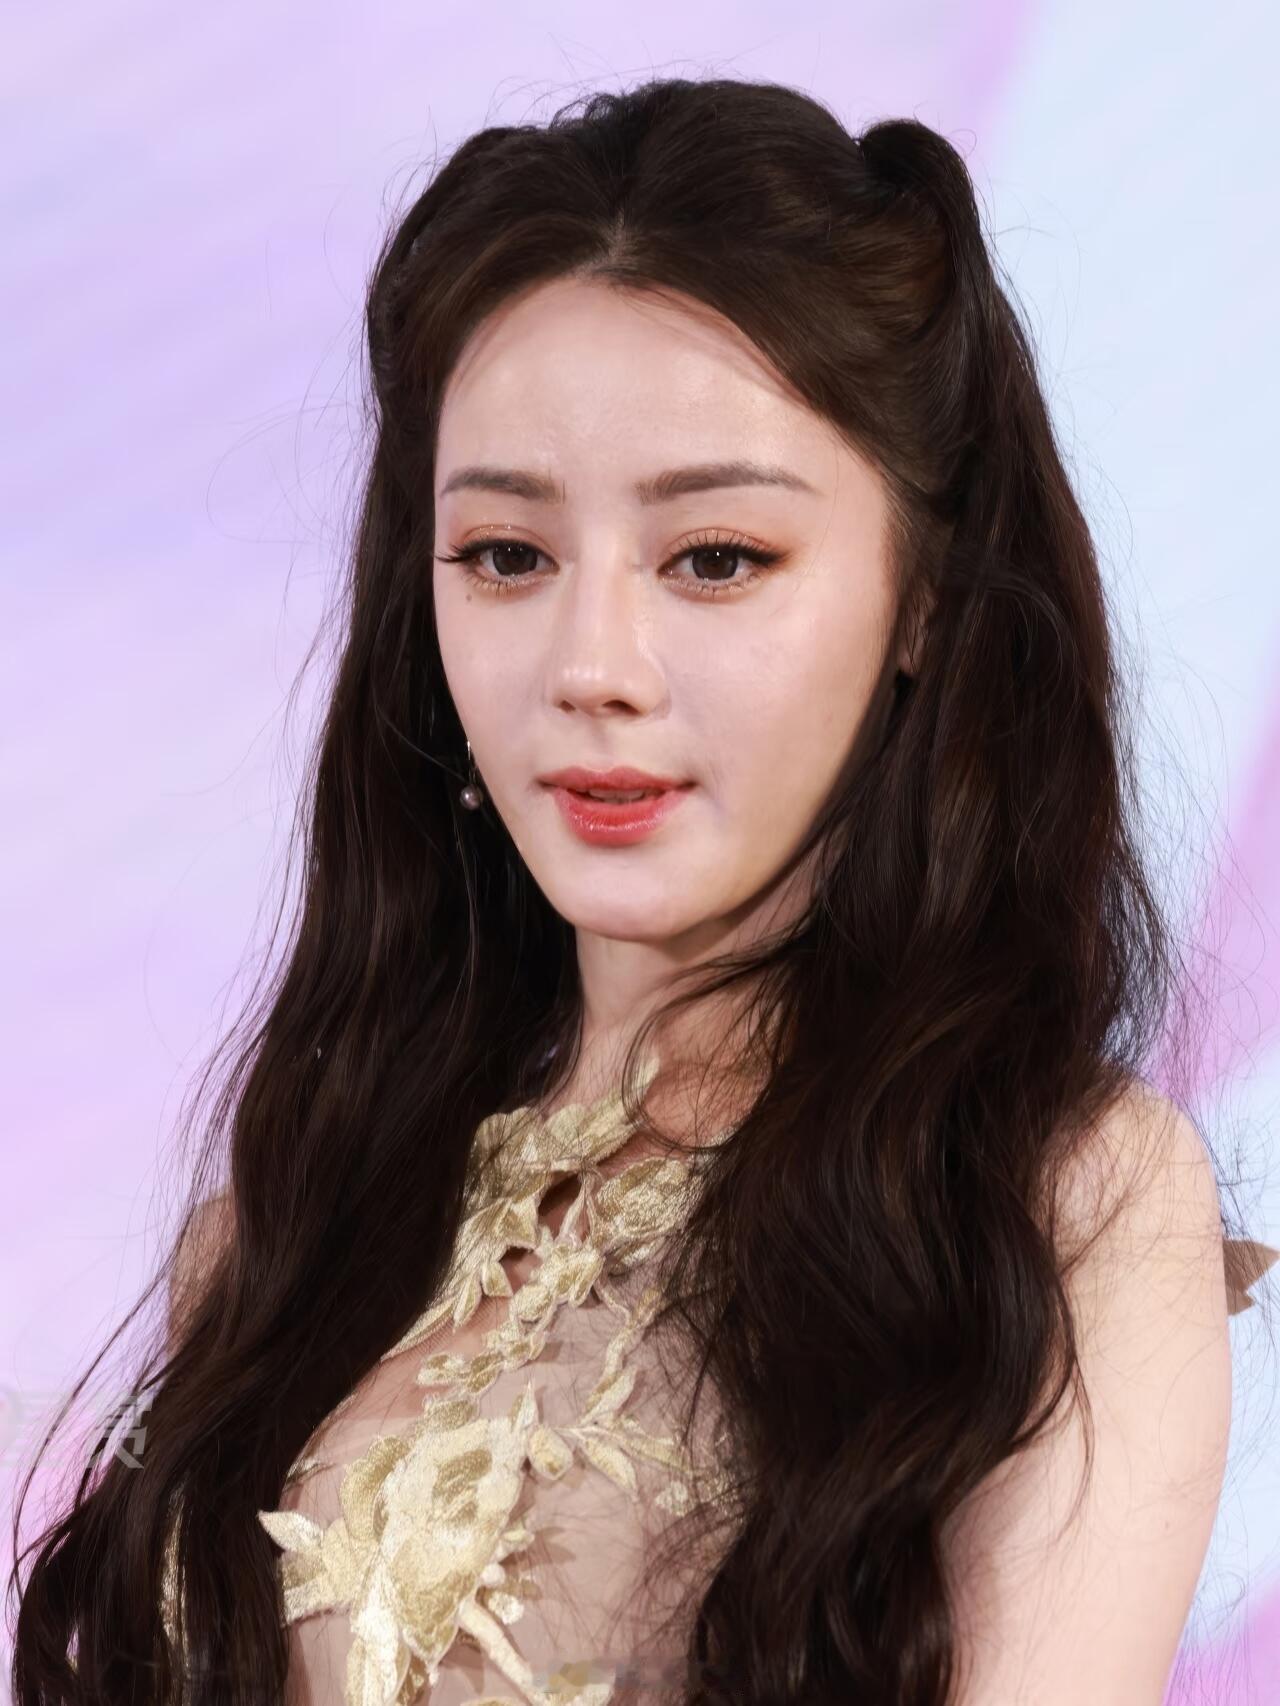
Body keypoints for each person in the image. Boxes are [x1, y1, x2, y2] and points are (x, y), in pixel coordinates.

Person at [9, 74, 1277, 1706]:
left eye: (716, 559)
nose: (591, 665)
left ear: (925, 599)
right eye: (507, 557)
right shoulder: (281, 1235)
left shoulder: (1053, 1201)